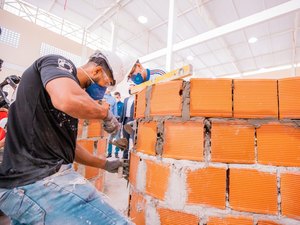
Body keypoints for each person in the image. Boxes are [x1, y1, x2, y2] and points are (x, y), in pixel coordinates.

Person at [0, 50, 132, 225]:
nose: (104, 91)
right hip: (37, 182)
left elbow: (68, 147)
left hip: (21, 187)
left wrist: (105, 164)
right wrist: (105, 114)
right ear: (97, 71)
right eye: (107, 84)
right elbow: (66, 99)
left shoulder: (47, 99)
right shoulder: (58, 62)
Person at [120, 84, 136, 159]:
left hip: (132, 120)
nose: (130, 89)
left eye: (132, 87)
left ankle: (134, 155)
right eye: (129, 88)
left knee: (133, 138)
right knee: (125, 139)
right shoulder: (126, 99)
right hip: (125, 120)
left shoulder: (137, 98)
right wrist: (120, 121)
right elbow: (123, 111)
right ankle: (125, 156)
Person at [103, 89, 118, 158]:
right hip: (98, 121)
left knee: (108, 138)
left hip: (109, 121)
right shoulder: (100, 96)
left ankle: (108, 153)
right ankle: (102, 152)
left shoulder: (113, 99)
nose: (107, 89)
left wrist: (115, 121)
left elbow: (115, 111)